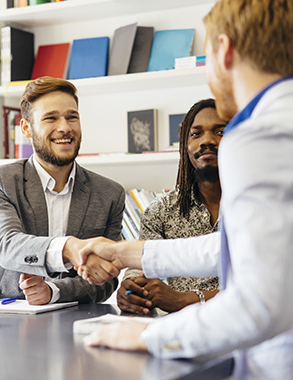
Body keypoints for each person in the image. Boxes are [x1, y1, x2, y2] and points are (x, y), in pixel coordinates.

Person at [79, 0, 293, 378]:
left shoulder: (259, 135)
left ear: (224, 51)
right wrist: (125, 253)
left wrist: (153, 336)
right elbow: (239, 244)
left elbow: (260, 305)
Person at [0, 77, 123, 305]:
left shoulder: (110, 194)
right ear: (26, 128)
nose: (64, 127)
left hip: (73, 316)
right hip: (3, 307)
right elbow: (6, 245)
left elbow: (106, 280)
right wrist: (69, 248)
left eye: (72, 117)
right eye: (50, 118)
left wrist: (54, 291)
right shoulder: (0, 181)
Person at [119, 98, 226, 315]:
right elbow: (139, 266)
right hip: (179, 333)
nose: (207, 140)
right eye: (196, 134)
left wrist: (187, 299)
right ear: (185, 147)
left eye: (220, 132)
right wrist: (131, 289)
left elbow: (266, 285)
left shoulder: (258, 204)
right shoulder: (161, 211)